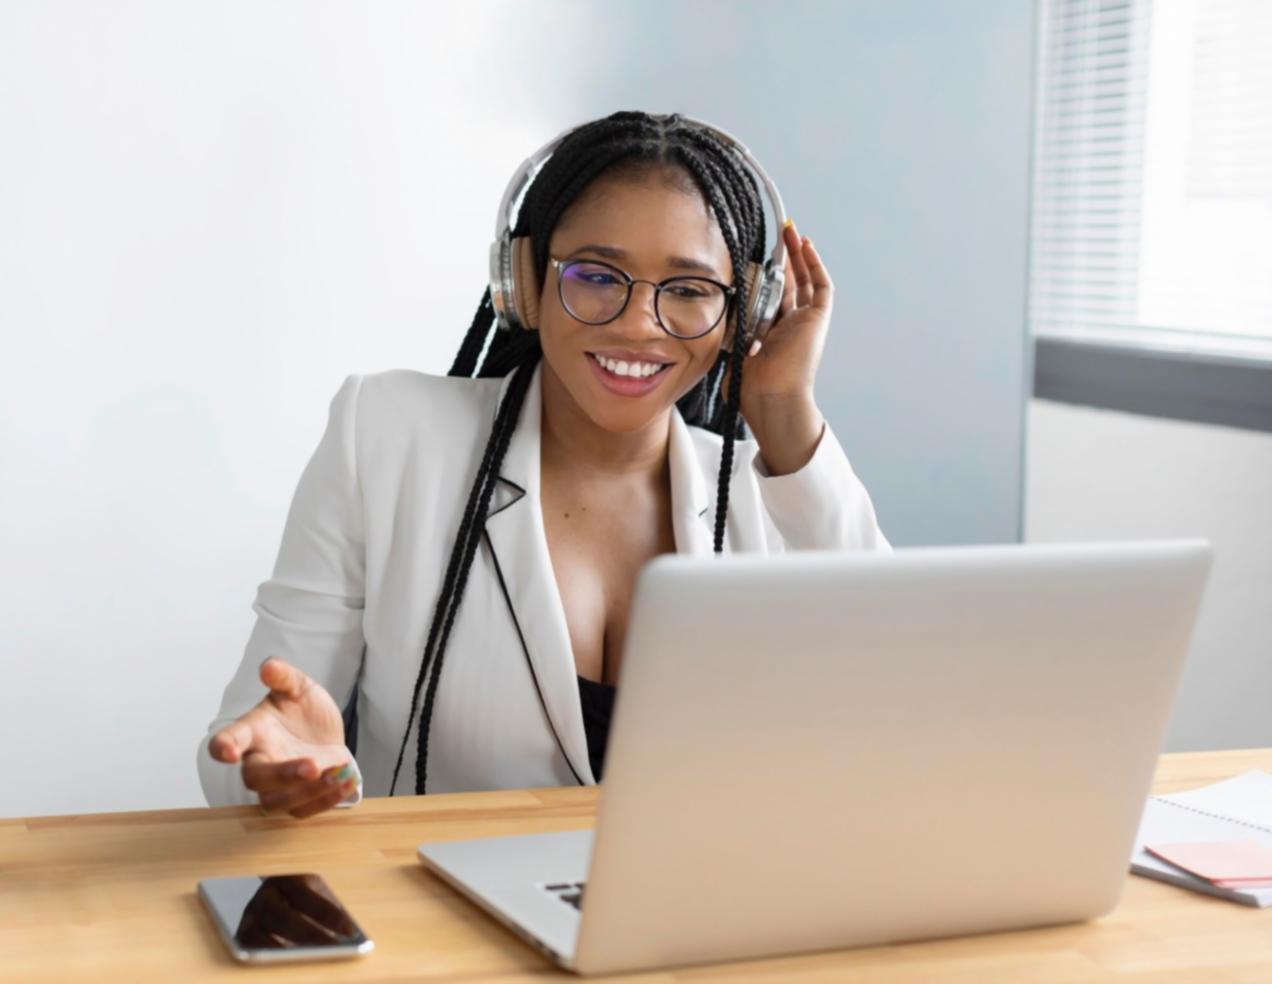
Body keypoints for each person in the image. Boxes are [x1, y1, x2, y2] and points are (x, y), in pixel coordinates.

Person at [198, 110, 890, 819]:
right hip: (437, 916)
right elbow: (247, 741)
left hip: (701, 919)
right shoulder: (386, 435)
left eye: (688, 290)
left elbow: (900, 713)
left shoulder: (772, 497)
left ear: (743, 312)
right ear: (522, 280)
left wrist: (782, 412)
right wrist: (283, 770)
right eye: (596, 274)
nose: (638, 324)